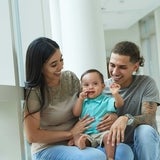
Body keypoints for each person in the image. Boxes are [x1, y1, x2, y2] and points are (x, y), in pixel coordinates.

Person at [23, 37, 118, 160]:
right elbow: (32, 136)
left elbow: (91, 101)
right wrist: (70, 133)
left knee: (122, 151)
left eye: (61, 60)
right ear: (40, 68)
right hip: (48, 148)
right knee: (96, 156)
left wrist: (112, 115)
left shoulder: (70, 78)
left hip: (80, 139)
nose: (61, 66)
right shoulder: (35, 92)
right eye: (53, 65)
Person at [103, 41, 160, 160]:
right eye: (112, 65)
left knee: (144, 130)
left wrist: (126, 118)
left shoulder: (146, 83)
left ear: (135, 66)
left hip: (145, 146)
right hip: (117, 146)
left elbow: (149, 118)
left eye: (122, 67)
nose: (114, 72)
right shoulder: (101, 88)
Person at [68, 69, 124, 160]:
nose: (90, 87)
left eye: (95, 84)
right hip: (87, 134)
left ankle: (110, 157)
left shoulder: (106, 100)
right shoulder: (83, 102)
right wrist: (80, 100)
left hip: (102, 133)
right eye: (86, 85)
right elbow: (76, 113)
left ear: (103, 86)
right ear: (81, 87)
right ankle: (80, 143)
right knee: (82, 138)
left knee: (109, 137)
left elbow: (119, 104)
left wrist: (115, 94)